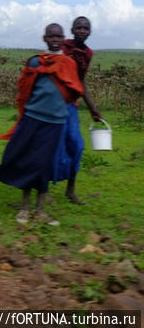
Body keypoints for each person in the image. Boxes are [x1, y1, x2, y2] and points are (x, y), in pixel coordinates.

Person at [0, 23, 83, 225]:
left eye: (58, 36)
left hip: (56, 122)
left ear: (63, 38)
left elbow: (73, 91)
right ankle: (24, 208)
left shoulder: (68, 64)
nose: (55, 40)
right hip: (33, 119)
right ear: (44, 38)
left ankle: (39, 211)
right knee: (27, 160)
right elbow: (24, 91)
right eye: (51, 36)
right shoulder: (34, 62)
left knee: (45, 164)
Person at [55, 16, 103, 203]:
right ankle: (42, 189)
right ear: (72, 30)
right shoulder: (62, 46)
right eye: (79, 28)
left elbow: (80, 81)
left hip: (71, 105)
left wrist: (93, 108)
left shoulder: (87, 53)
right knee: (50, 145)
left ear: (89, 32)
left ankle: (70, 190)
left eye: (86, 28)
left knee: (76, 145)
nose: (82, 31)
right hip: (52, 103)